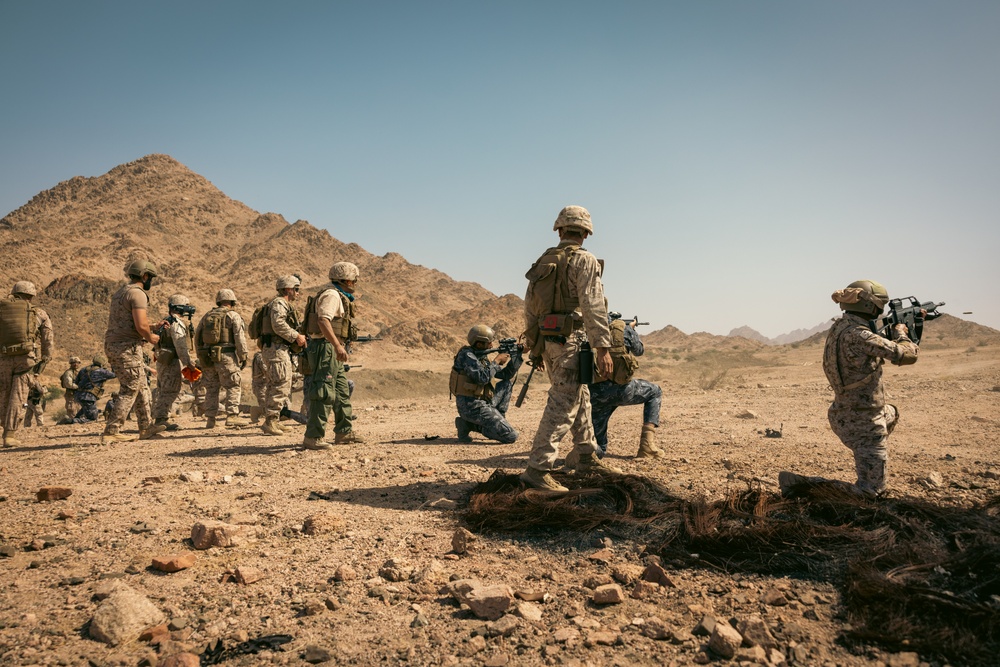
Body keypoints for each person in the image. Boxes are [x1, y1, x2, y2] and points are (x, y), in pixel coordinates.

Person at [779, 280, 919, 498]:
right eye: (879, 304)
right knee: (872, 493)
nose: (880, 309)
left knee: (892, 412)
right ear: (870, 306)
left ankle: (873, 457)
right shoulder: (860, 336)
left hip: (844, 413)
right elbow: (908, 355)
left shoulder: (839, 328)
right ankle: (799, 485)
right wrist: (902, 333)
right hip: (864, 423)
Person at [520, 206, 619, 491]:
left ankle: (586, 454)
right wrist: (603, 346)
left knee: (581, 395)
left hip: (549, 341)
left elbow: (530, 306)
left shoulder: (544, 260)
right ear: (586, 233)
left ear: (560, 230)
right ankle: (538, 469)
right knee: (563, 403)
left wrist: (535, 347)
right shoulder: (585, 260)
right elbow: (593, 305)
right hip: (571, 340)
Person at [301, 262, 364, 450]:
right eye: (353, 279)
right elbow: (323, 320)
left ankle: (344, 432)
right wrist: (336, 345)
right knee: (324, 392)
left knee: (342, 392)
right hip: (325, 348)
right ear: (345, 279)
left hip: (331, 348)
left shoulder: (338, 295)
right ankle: (313, 437)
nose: (355, 282)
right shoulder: (332, 295)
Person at [102, 260, 165, 444]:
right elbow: (140, 325)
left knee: (141, 386)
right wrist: (151, 336)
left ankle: (146, 427)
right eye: (150, 278)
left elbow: (128, 322)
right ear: (144, 276)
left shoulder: (121, 292)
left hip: (119, 344)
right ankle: (112, 430)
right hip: (126, 347)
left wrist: (152, 326)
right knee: (130, 387)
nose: (150, 281)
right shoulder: (138, 294)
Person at [588, 313, 665, 459]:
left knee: (599, 446)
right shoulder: (622, 328)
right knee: (655, 391)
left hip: (595, 394)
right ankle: (646, 446)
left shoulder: (589, 329)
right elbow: (639, 350)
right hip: (623, 390)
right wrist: (631, 330)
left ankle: (591, 456)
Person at [1, 281, 54, 447]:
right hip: (25, 359)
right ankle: (9, 435)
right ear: (31, 295)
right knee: (18, 395)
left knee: (3, 392)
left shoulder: (2, 309)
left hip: (2, 357)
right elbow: (48, 340)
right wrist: (45, 359)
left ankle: (4, 426)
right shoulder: (38, 313)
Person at [450, 325, 523, 444]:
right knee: (511, 436)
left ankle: (498, 421)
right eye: (489, 343)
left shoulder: (481, 356)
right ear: (479, 344)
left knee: (506, 384)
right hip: (471, 407)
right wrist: (497, 361)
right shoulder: (467, 355)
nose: (492, 346)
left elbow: (505, 375)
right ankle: (470, 425)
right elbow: (482, 378)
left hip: (483, 400)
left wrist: (517, 355)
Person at [195, 289, 249, 428]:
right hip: (227, 356)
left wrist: (200, 356)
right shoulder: (233, 316)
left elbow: (197, 337)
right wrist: (243, 356)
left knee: (212, 388)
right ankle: (232, 416)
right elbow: (239, 338)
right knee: (233, 385)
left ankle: (210, 420)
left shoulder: (207, 316)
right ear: (232, 302)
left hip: (208, 357)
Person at [260, 275, 306, 436]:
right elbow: (278, 324)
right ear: (288, 289)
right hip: (276, 349)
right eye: (296, 289)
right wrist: (296, 336)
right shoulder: (279, 303)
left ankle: (273, 420)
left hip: (276, 348)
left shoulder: (278, 303)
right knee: (281, 384)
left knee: (276, 383)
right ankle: (271, 422)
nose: (298, 293)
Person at [152, 294, 197, 431]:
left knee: (164, 389)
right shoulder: (176, 323)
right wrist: (188, 363)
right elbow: (180, 345)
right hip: (171, 361)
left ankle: (161, 418)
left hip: (163, 360)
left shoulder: (165, 321)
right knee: (170, 390)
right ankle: (160, 419)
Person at [69, 356, 116, 423]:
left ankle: (75, 418)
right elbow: (114, 375)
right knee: (92, 418)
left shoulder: (83, 369)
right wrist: (114, 365)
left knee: (86, 408)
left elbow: (76, 382)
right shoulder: (101, 371)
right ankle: (72, 421)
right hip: (88, 397)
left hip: (79, 395)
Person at [249, 349, 267, 423]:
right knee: (272, 411)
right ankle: (255, 411)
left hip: (263, 386)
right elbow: (267, 371)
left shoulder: (261, 355)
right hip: (261, 387)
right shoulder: (261, 357)